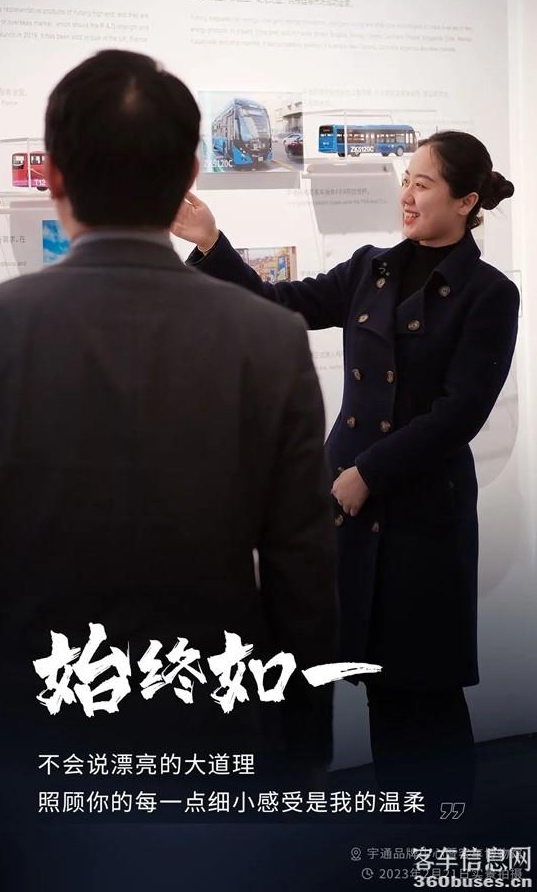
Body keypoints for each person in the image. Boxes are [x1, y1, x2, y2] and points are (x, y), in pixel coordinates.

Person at [0, 49, 339, 846]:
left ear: (54, 175)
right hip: (210, 733)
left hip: (24, 738)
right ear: (189, 174)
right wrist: (304, 751)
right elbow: (303, 573)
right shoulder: (269, 338)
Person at [173, 130, 519, 803]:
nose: (407, 195)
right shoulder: (370, 268)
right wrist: (213, 243)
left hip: (420, 511)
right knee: (378, 682)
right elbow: (279, 306)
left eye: (424, 183)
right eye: (406, 179)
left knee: (426, 690)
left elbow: (460, 413)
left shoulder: (490, 293)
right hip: (351, 508)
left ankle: (443, 829)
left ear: (466, 201)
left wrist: (368, 474)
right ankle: (400, 826)